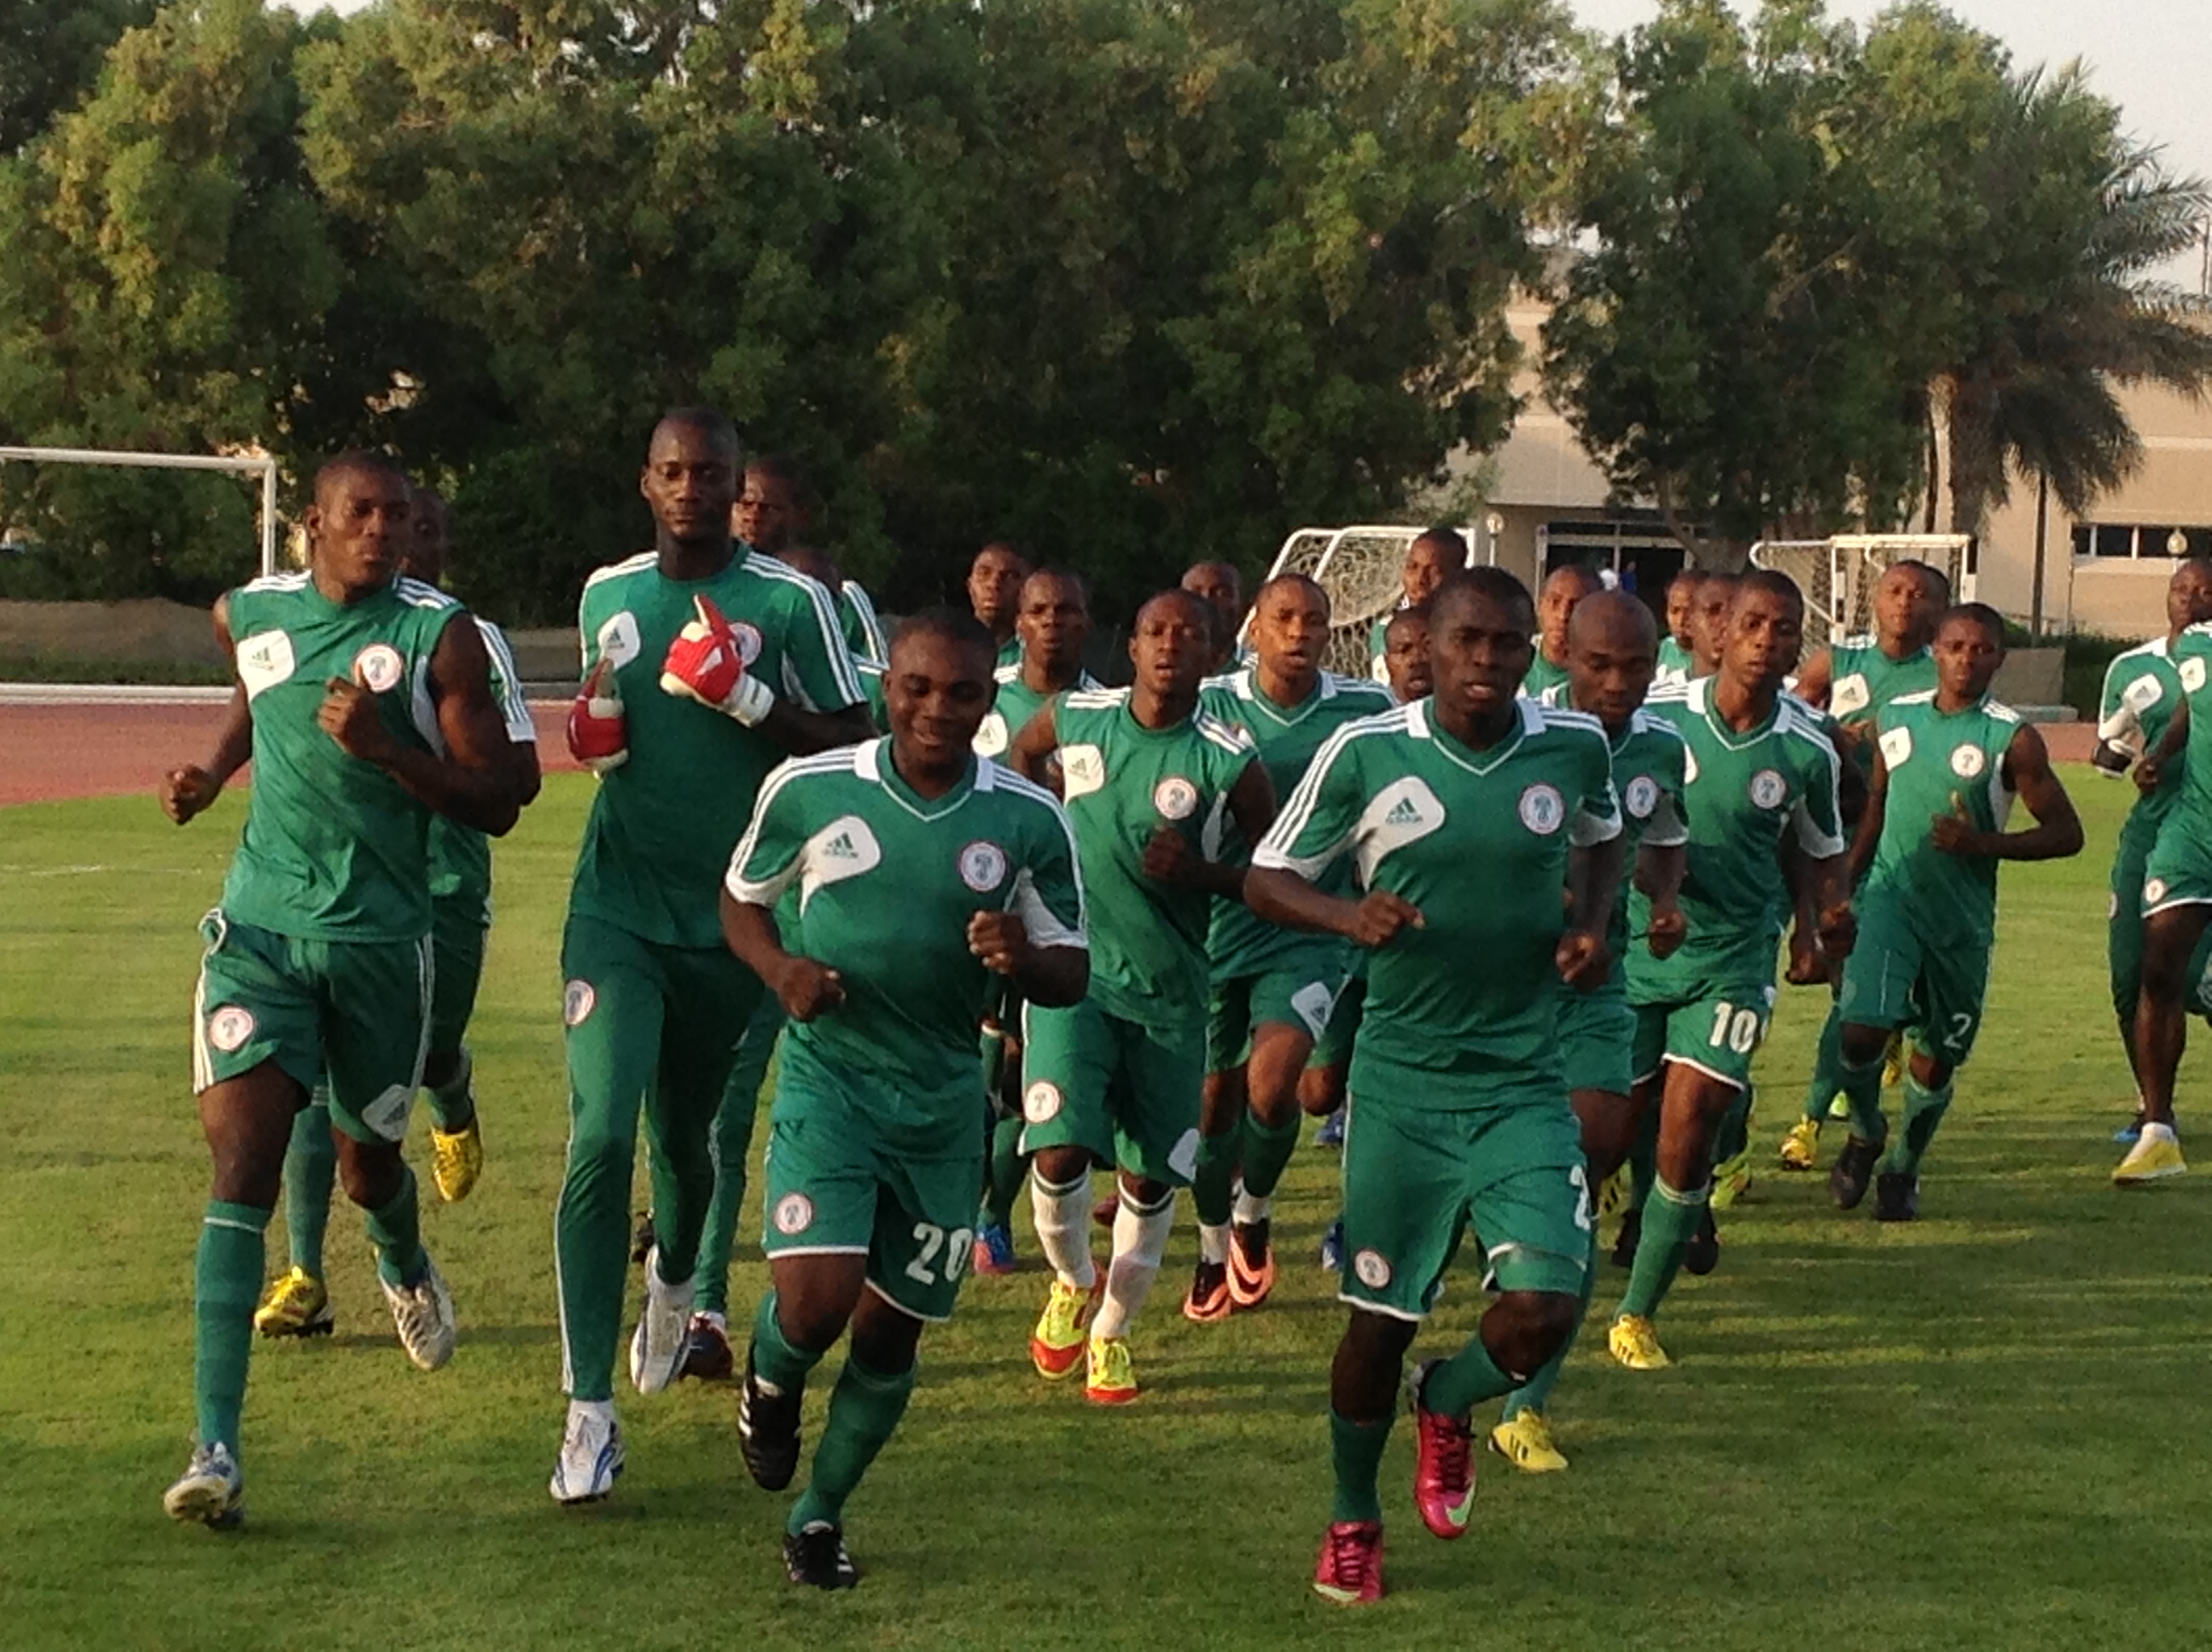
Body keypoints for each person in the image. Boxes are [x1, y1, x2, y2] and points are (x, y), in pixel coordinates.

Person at [157, 453, 529, 1527]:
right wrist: (211, 771)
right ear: (310, 525)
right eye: (359, 514)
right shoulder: (251, 610)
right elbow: (253, 687)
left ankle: (403, 1258)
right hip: (259, 935)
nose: (382, 531)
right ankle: (215, 1445)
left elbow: (503, 796)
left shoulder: (439, 636)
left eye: (397, 517)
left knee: (369, 1170)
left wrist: (388, 750)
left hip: (382, 945)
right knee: (243, 1163)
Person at [1244, 568, 1621, 1606]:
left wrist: (1589, 922)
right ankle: (1351, 1517)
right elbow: (1267, 875)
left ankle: (1448, 1402)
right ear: (1428, 644)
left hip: (1521, 1078)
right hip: (1404, 1089)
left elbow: (1601, 835)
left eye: (1509, 643)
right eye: (1469, 642)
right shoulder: (1368, 754)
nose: (1490, 662)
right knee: (1376, 1322)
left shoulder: (1571, 744)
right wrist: (1344, 918)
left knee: (1544, 1308)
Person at [723, 609, 1089, 1589]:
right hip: (830, 1080)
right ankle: (770, 1377)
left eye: (962, 693)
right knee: (815, 1300)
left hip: (939, 1102)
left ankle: (818, 1515)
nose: (937, 709)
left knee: (891, 1332)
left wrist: (1023, 959)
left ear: (987, 699)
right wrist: (781, 970)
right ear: (889, 687)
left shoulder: (1025, 817)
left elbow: (1072, 969)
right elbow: (742, 896)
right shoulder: (810, 788)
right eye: (918, 688)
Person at [549, 408, 871, 1504]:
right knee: (600, 1133)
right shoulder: (608, 592)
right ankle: (588, 1413)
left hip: (734, 921)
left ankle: (678, 1280)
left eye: (714, 475)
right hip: (617, 912)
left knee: (685, 1140)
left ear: (739, 488)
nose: (692, 489)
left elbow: (857, 742)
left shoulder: (793, 602)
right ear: (645, 481)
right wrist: (595, 736)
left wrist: (750, 698)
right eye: (673, 472)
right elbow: (607, 724)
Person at [252, 487, 542, 1340]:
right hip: (334, 902)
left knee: (426, 1050)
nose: (398, 542)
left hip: (440, 887)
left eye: (419, 528)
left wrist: (395, 750)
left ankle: (450, 1088)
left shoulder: (464, 637)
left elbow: (516, 782)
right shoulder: (319, 619)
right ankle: (306, 1271)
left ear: (441, 543)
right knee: (308, 1076)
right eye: (376, 523)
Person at [1006, 589, 1275, 1404]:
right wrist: (1042, 826)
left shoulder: (1228, 758)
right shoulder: (1080, 717)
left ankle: (1112, 1335)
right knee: (1055, 1152)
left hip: (1171, 996)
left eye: (1187, 636)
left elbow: (1271, 872)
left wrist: (1203, 874)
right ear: (1133, 646)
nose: (1168, 646)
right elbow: (1024, 755)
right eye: (1154, 631)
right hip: (1075, 978)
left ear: (1212, 652)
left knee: (1150, 1182)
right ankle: (1070, 1280)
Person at [1606, 571, 1853, 1372]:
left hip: (1735, 958)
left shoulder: (1809, 745)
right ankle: (1636, 1215)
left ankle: (1636, 1316)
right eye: (1751, 622)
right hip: (1639, 950)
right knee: (1620, 1118)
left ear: (1796, 643)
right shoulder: (1656, 720)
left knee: (1693, 1122)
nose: (1765, 640)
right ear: (1720, 630)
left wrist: (1824, 922)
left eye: (1784, 629)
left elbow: (1820, 850)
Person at [1491, 591, 1687, 1473]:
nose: (1616, 683)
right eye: (1598, 664)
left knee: (1591, 1164)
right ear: (1561, 654)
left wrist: (1667, 899)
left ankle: (1525, 1409)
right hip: (1501, 986)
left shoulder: (1660, 748)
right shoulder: (1521, 736)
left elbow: (1665, 835)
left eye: (1635, 666)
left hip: (1600, 986)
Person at [1811, 605, 2082, 1219]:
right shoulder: (1896, 721)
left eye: (1981, 649)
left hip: (1960, 921)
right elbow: (1876, 811)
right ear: (1936, 649)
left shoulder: (2011, 738)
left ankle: (1904, 1165)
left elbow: (2068, 833)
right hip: (1889, 902)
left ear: (1999, 658)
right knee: (1860, 1027)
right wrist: (1843, 889)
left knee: (1934, 1061)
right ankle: (1863, 1129)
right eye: (1955, 646)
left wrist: (1983, 844)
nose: (1966, 659)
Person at [1185, 575, 1392, 1319]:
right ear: (1256, 628)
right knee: (1212, 1111)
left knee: (1275, 1087)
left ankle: (1254, 1212)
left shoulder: (1363, 711)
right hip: (1214, 927)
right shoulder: (1212, 704)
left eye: (1313, 620)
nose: (1299, 633)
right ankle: (1211, 1247)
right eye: (1284, 619)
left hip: (1308, 933)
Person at [1778, 560, 1949, 1164]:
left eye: (1919, 594)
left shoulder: (1944, 667)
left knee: (1850, 985)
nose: (1905, 602)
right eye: (1895, 591)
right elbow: (1793, 716)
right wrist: (1830, 731)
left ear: (1938, 607)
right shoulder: (1838, 661)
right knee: (1841, 984)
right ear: (1875, 600)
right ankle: (1876, 1044)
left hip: (1899, 843)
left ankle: (1810, 1120)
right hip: (1834, 833)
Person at [971, 568, 1103, 1276]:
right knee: (976, 1075)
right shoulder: (981, 691)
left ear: (1087, 622)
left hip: (1060, 923)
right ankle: (959, 1207)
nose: (1054, 621)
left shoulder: (1107, 708)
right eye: (1041, 610)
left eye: (1069, 610)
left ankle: (992, 1222)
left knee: (1026, 1081)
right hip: (976, 914)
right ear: (1019, 621)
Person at [1307, 602, 1434, 1232]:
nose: (1416, 661)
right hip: (1343, 945)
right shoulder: (1364, 737)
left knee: (1387, 1098)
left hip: (1424, 963)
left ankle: (1359, 1223)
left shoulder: (1473, 737)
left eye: (1425, 648)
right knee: (1319, 1090)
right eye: (1403, 650)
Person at [2091, 559, 2212, 1143]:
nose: (2191, 599)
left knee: (2187, 979)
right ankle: (2151, 1107)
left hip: (2198, 828)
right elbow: (2108, 757)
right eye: (2181, 589)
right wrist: (2132, 757)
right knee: (2127, 971)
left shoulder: (2205, 660)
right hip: (2151, 829)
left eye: (2204, 591)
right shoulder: (2132, 668)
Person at [734, 456, 888, 663]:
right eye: (744, 504)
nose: (752, 516)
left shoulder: (826, 583)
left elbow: (873, 673)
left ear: (799, 516)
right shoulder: (714, 580)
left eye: (769, 508)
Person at [1366, 527, 1460, 681]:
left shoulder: (1467, 629)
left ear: (1457, 576)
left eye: (1434, 572)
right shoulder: (1386, 628)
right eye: (1412, 567)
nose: (1420, 580)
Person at [1522, 563, 1602, 699]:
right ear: (1540, 606)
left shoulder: (1605, 678)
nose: (1563, 615)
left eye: (1575, 605)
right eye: (1555, 601)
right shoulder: (1513, 659)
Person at [969, 541, 1031, 668]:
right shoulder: (947, 650)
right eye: (984, 573)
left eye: (1009, 576)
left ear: (1028, 590)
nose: (994, 584)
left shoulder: (1036, 659)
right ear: (970, 587)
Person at [1182, 559, 1247, 673]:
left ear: (1241, 602)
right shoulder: (1164, 668)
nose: (1207, 600)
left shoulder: (1262, 671)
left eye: (1221, 593)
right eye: (1196, 593)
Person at [1656, 571, 1703, 685]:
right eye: (1674, 611)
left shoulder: (1714, 657)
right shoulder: (1665, 647)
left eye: (1689, 612)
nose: (1680, 621)